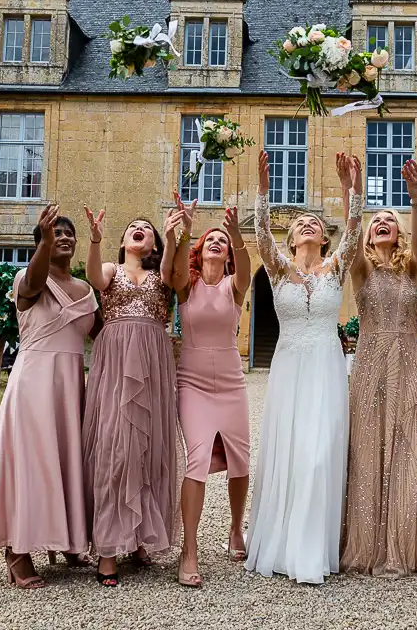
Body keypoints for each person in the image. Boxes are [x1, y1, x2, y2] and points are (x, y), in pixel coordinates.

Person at [246, 150, 363, 585]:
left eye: (314, 223)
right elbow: (259, 234)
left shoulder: (336, 267)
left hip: (326, 367)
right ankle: (282, 544)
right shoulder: (277, 269)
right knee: (290, 453)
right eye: (300, 224)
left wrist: (350, 190)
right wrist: (262, 192)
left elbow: (354, 230)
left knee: (321, 454)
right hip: (290, 366)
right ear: (291, 239)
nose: (309, 225)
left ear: (323, 238)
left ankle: (314, 547)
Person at [0, 204, 99, 588]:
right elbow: (34, 282)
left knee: (68, 461)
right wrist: (42, 245)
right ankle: (18, 552)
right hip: (34, 383)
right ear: (41, 241)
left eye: (67, 233)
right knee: (31, 464)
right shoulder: (27, 278)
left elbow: (108, 335)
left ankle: (71, 539)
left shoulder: (87, 290)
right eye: (53, 233)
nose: (63, 237)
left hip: (71, 384)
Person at [341, 159, 417, 578]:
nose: (382, 223)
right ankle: (365, 546)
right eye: (376, 220)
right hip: (370, 364)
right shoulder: (361, 271)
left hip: (408, 361)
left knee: (407, 447)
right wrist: (352, 191)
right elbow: (350, 236)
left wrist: (414, 199)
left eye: (388, 220)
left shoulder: (413, 270)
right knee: (367, 449)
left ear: (397, 233)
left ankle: (400, 547)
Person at [82, 210, 178, 587]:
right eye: (131, 228)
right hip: (117, 358)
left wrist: (171, 238)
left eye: (146, 229)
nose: (139, 230)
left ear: (152, 244)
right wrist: (93, 238)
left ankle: (141, 535)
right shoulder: (110, 268)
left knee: (148, 446)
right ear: (123, 242)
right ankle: (107, 549)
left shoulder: (161, 275)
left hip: (153, 358)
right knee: (113, 446)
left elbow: (172, 274)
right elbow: (92, 278)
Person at [167, 198, 252, 588]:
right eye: (211, 238)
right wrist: (186, 229)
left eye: (222, 240)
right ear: (200, 251)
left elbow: (247, 269)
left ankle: (236, 528)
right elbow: (176, 268)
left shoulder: (235, 288)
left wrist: (235, 233)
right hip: (194, 383)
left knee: (241, 459)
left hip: (232, 382)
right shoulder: (188, 286)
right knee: (197, 458)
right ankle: (190, 548)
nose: (216, 241)